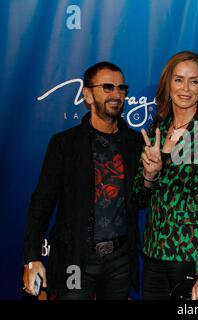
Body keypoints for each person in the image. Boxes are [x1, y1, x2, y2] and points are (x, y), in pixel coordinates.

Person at [22, 62, 143, 299]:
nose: (116, 94)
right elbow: (41, 204)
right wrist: (32, 257)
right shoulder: (65, 144)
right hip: (76, 261)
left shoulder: (135, 143)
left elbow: (141, 199)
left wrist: (151, 175)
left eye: (121, 88)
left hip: (120, 262)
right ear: (87, 94)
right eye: (107, 87)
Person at [133, 51, 198, 300]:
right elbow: (138, 197)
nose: (185, 88)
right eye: (178, 80)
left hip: (190, 257)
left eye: (194, 81)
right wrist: (150, 175)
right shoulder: (156, 130)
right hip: (153, 253)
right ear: (168, 85)